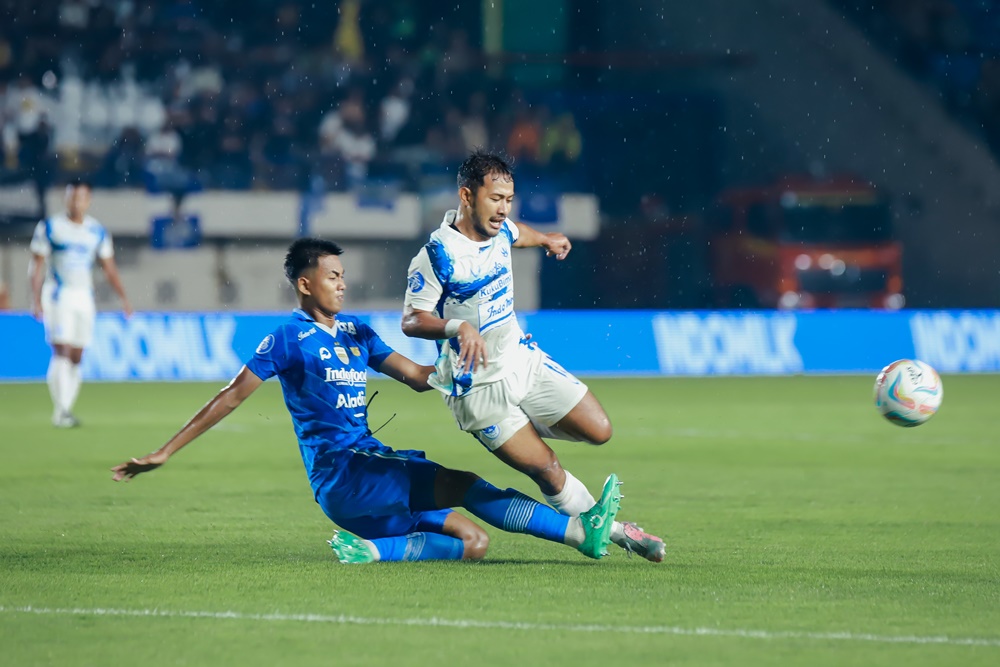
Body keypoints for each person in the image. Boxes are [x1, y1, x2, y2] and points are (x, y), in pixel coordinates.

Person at [111, 238, 623, 564]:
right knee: (465, 485)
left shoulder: (356, 333)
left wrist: (458, 363)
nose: (342, 283)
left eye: (342, 275)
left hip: (368, 476)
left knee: (474, 544)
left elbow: (419, 378)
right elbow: (229, 398)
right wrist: (164, 451)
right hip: (345, 473)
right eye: (332, 276)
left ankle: (374, 550)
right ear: (305, 284)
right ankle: (580, 534)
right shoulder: (288, 339)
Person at [402, 150, 666, 563]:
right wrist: (457, 326)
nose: (503, 209)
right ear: (466, 196)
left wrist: (545, 238)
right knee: (546, 468)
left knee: (599, 429)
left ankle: (533, 440)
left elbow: (514, 232)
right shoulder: (437, 254)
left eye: (508, 199)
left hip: (522, 361)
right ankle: (614, 533)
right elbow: (412, 320)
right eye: (495, 199)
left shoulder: (500, 228)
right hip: (478, 388)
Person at [30, 179, 132, 428]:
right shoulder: (51, 227)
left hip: (84, 296)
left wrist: (123, 298)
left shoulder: (96, 231)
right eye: (72, 197)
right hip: (58, 294)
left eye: (81, 197)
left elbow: (109, 267)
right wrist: (35, 300)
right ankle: (62, 410)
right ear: (66, 199)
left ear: (88, 201)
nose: (76, 202)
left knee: (77, 355)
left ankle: (66, 408)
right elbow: (36, 265)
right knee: (62, 350)